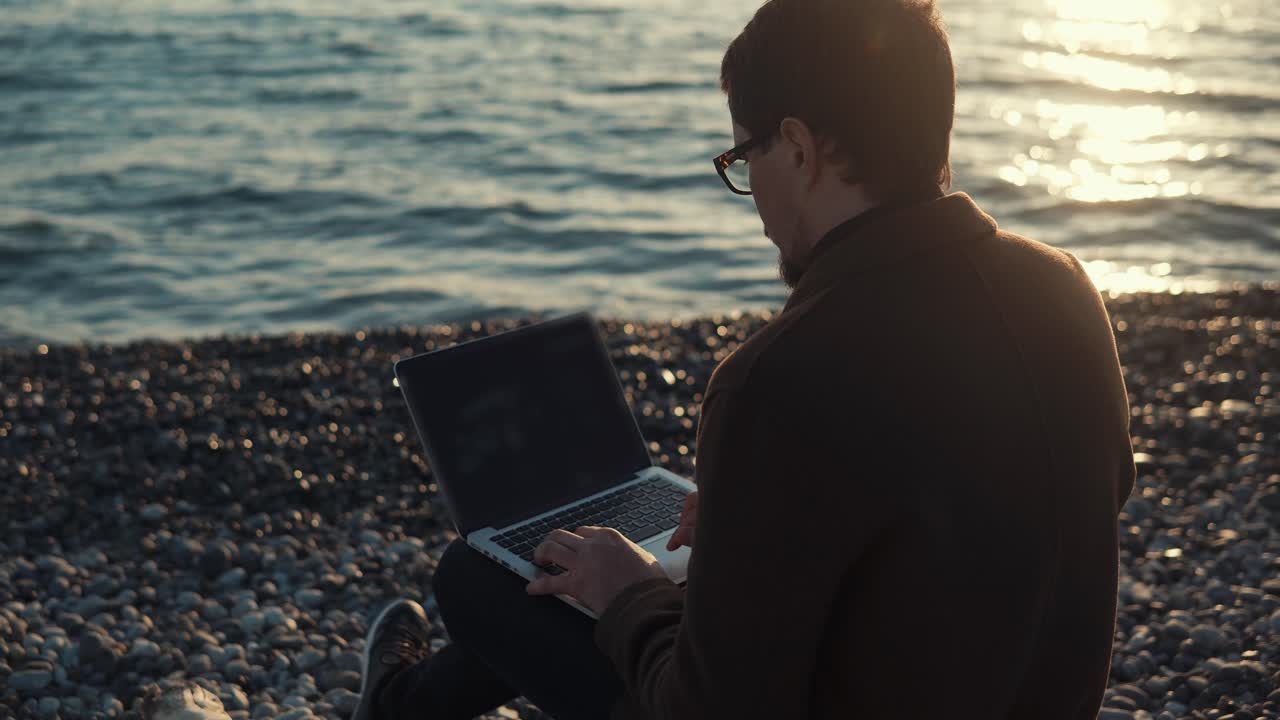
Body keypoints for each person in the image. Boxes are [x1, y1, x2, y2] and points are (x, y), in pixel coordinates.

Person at [351, 0, 1136, 717]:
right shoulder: (1065, 289)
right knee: (647, 583)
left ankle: (396, 705)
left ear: (797, 149)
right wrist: (756, 534)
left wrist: (630, 598)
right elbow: (1007, 519)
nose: (750, 190)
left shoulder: (779, 379)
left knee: (479, 576)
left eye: (742, 158)